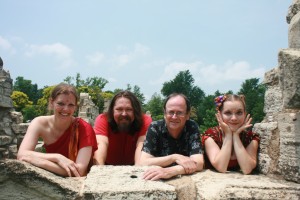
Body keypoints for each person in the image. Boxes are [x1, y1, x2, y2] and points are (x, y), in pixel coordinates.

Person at [17, 83, 98, 177]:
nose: (66, 109)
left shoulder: (84, 128)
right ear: (52, 103)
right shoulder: (39, 123)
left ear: (76, 107)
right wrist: (57, 157)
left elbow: (79, 171)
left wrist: (38, 161)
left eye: (71, 105)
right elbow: (22, 154)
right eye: (60, 104)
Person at [139, 93, 204, 181]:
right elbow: (143, 162)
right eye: (171, 112)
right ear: (164, 113)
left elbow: (199, 163)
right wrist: (174, 157)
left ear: (187, 114)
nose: (174, 117)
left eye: (179, 113)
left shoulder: (191, 127)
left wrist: (171, 171)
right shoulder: (155, 127)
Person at [201, 94, 260, 175]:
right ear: (220, 114)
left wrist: (236, 136)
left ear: (245, 114)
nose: (234, 118)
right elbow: (221, 167)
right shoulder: (211, 136)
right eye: (228, 113)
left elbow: (247, 169)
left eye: (239, 113)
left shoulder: (251, 138)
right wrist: (229, 135)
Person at [93, 90, 152, 165]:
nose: (124, 114)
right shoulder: (103, 119)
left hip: (133, 165)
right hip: (107, 165)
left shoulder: (145, 120)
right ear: (112, 110)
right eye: (119, 109)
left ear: (135, 111)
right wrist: (99, 170)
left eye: (129, 109)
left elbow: (141, 144)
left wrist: (138, 170)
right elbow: (101, 143)